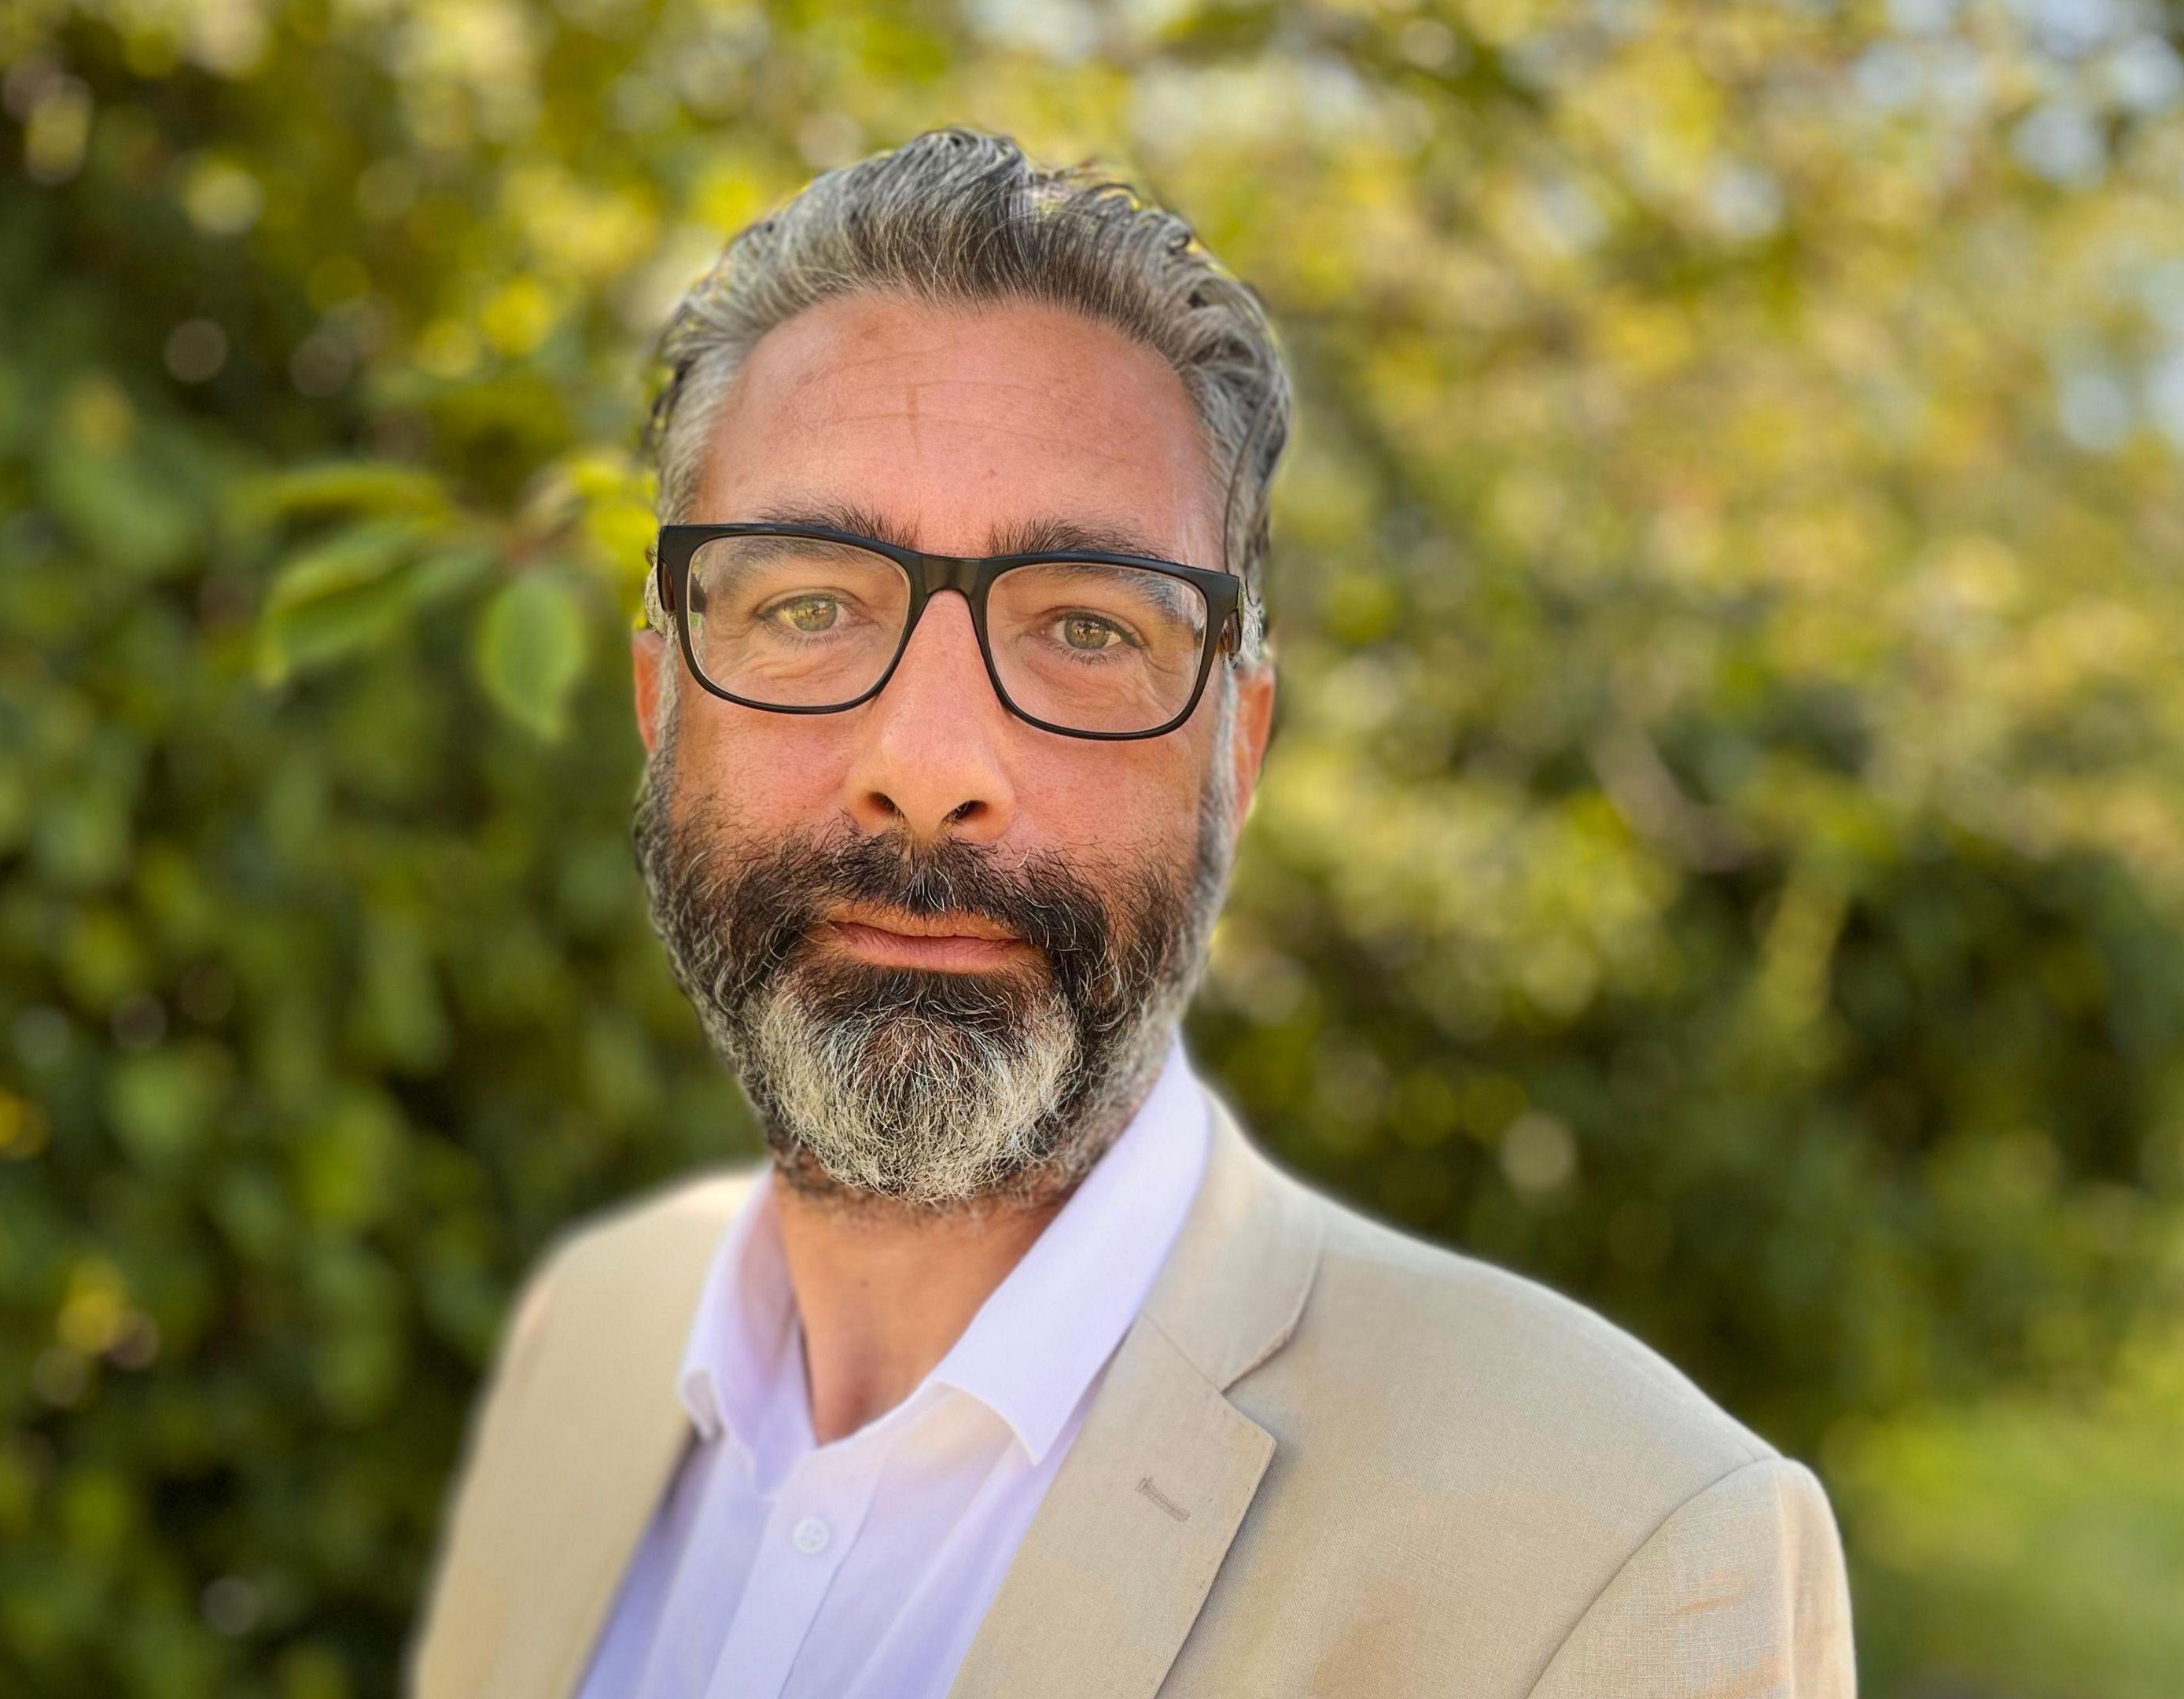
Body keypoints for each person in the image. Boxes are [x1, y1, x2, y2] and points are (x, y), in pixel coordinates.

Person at [409, 127, 1852, 1699]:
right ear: (660, 701)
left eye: (1085, 628)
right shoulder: (589, 1337)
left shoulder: (1626, 1552)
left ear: (1237, 753)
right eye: (808, 605)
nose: (929, 768)